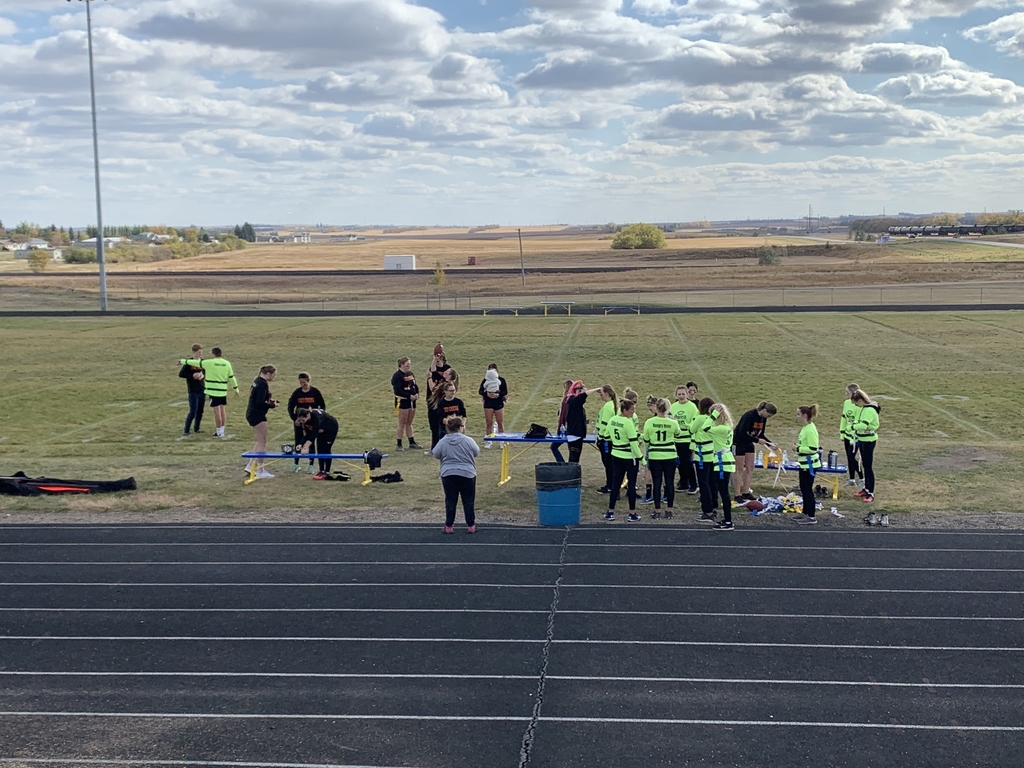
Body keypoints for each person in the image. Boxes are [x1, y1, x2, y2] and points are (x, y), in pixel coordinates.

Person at [432, 416, 480, 535]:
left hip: (448, 473)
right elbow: (476, 452)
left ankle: (449, 526)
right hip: (467, 473)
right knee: (468, 500)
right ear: (460, 427)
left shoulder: (443, 441)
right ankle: (471, 525)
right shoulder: (468, 440)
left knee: (450, 500)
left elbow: (436, 454)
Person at [179, 346, 239, 437]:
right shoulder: (227, 363)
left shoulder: (209, 362)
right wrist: (236, 388)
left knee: (217, 412)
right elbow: (231, 377)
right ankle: (221, 430)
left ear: (214, 354)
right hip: (222, 391)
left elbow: (193, 362)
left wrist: (182, 361)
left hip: (213, 391)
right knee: (222, 410)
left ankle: (218, 432)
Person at [642, 398, 683, 519]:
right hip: (670, 454)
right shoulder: (673, 422)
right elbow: (678, 434)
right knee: (669, 482)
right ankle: (669, 509)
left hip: (655, 454)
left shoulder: (650, 422)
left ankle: (657, 509)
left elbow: (646, 439)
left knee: (657, 482)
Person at [732, 401, 778, 504]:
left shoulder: (763, 418)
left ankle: (746, 491)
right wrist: (757, 440)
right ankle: (737, 494)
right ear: (764, 410)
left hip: (749, 443)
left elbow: (761, 434)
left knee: (750, 467)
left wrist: (770, 444)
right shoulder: (749, 416)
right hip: (739, 442)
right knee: (738, 468)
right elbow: (741, 433)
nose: (768, 417)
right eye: (769, 415)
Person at [605, 399, 643, 522]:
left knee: (616, 483)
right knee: (631, 485)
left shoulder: (613, 420)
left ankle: (610, 512)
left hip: (616, 455)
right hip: (629, 457)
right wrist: (641, 458)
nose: (633, 412)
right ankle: (632, 513)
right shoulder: (628, 422)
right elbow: (633, 443)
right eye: (632, 410)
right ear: (625, 410)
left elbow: (606, 435)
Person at [288, 372, 326, 473]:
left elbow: (322, 407)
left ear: (308, 381)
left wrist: (316, 417)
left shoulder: (315, 392)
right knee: (298, 440)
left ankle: (311, 465)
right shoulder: (297, 393)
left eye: (304, 383)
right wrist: (295, 419)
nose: (302, 385)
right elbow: (290, 407)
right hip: (299, 422)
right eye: (300, 383)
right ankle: (296, 464)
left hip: (311, 422)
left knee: (311, 440)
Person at [245, 365, 278, 478]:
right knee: (262, 442)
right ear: (268, 373)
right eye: (273, 375)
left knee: (259, 441)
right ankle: (260, 469)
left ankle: (250, 465)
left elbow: (259, 398)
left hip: (252, 413)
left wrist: (270, 401)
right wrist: (272, 405)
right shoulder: (262, 383)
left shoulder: (257, 381)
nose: (273, 377)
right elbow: (259, 402)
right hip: (257, 415)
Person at [850, 389, 881, 509]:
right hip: (863, 440)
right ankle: (866, 489)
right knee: (864, 465)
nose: (855, 405)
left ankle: (870, 492)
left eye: (856, 403)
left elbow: (863, 425)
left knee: (868, 467)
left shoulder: (869, 410)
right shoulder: (864, 409)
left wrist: (852, 427)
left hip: (868, 441)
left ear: (860, 400)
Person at [707, 404, 737, 531]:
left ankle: (728, 521)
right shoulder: (727, 427)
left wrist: (712, 416)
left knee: (724, 492)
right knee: (723, 491)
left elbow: (705, 428)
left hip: (722, 461)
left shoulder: (720, 428)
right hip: (725, 459)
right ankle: (727, 519)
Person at [794, 404, 822, 525]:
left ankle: (811, 515)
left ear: (805, 415)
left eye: (798, 414)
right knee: (804, 489)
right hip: (804, 464)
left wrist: (798, 448)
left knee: (807, 490)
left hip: (810, 464)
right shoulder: (805, 428)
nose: (797, 417)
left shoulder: (810, 429)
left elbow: (812, 448)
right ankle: (805, 513)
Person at [294, 407, 340, 479]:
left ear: (307, 415)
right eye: (299, 420)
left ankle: (327, 472)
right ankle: (321, 470)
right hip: (320, 430)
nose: (301, 422)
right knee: (319, 449)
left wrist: (306, 447)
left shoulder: (315, 417)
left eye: (302, 420)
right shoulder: (305, 421)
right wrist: (300, 444)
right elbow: (307, 434)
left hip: (331, 428)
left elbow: (314, 434)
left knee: (326, 449)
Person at [691, 397, 716, 522]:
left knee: (703, 483)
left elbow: (691, 429)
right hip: (713, 453)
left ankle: (707, 510)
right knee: (712, 481)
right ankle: (714, 505)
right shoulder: (715, 419)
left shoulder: (700, 418)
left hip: (702, 455)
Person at [670, 385, 699, 494]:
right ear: (676, 395)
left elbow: (694, 422)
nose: (681, 396)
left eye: (683, 394)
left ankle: (693, 484)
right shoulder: (673, 406)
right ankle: (683, 483)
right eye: (679, 394)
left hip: (687, 439)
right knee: (680, 463)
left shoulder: (692, 407)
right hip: (676, 439)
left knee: (688, 462)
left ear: (687, 394)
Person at [564, 381, 601, 464]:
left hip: (574, 435)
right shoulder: (575, 401)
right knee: (574, 460)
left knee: (574, 459)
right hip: (575, 436)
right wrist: (597, 389)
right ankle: (571, 475)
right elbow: (584, 395)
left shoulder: (572, 401)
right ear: (578, 391)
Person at [391, 356, 421, 452]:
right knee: (402, 423)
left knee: (409, 422)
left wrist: (416, 393)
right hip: (402, 401)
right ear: (401, 365)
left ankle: (411, 441)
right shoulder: (397, 376)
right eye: (407, 365)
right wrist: (409, 396)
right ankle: (399, 443)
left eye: (409, 365)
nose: (409, 366)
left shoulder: (410, 374)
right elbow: (397, 390)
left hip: (412, 401)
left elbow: (414, 385)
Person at [429, 381, 467, 451]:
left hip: (458, 428)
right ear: (445, 391)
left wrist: (462, 425)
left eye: (454, 390)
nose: (453, 392)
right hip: (445, 429)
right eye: (450, 391)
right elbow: (441, 418)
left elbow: (464, 415)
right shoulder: (441, 403)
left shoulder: (459, 402)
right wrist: (451, 425)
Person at [839, 382, 865, 488]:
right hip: (847, 435)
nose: (846, 394)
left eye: (847, 392)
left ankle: (862, 478)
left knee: (851, 457)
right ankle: (852, 479)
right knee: (849, 457)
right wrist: (842, 432)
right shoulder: (846, 403)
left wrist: (856, 434)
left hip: (855, 437)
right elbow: (844, 418)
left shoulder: (860, 406)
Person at [178, 344, 205, 437]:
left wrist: (202, 375)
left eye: (201, 353)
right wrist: (192, 376)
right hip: (192, 390)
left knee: (200, 410)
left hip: (202, 389)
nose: (200, 355)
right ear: (194, 352)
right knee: (193, 410)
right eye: (198, 353)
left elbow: (206, 371)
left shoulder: (203, 362)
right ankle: (186, 429)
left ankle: (197, 428)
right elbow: (181, 374)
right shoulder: (189, 363)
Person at [594, 385, 617, 493]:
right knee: (610, 463)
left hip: (606, 440)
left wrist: (601, 438)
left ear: (607, 394)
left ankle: (610, 485)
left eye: (601, 393)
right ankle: (612, 484)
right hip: (610, 439)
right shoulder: (612, 404)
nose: (600, 395)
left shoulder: (608, 406)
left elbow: (604, 424)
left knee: (608, 463)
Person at [478, 363, 508, 440]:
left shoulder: (501, 380)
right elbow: (480, 391)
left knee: (500, 422)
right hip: (488, 403)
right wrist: (487, 394)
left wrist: (498, 395)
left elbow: (505, 391)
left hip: (498, 402)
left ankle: (502, 440)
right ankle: (489, 440)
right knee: (489, 423)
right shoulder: (485, 380)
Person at [550, 379, 574, 462]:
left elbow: (563, 416)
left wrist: (561, 428)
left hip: (566, 429)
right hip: (569, 429)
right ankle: (566, 465)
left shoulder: (566, 400)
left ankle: (563, 464)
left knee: (554, 447)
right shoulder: (571, 399)